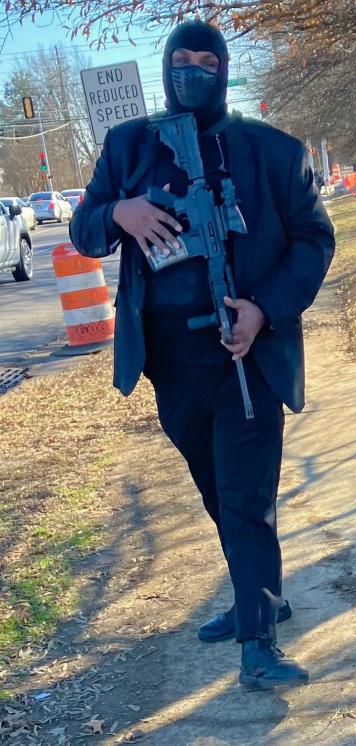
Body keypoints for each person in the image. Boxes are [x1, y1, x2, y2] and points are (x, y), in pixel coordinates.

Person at [69, 20, 335, 690]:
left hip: (247, 356)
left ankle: (258, 643)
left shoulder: (273, 151)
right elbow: (84, 226)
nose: (191, 70)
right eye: (180, 60)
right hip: (169, 364)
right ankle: (259, 593)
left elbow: (313, 239)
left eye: (205, 60)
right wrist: (120, 213)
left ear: (223, 68)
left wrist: (263, 307)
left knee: (246, 498)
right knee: (219, 491)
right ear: (165, 66)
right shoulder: (128, 146)